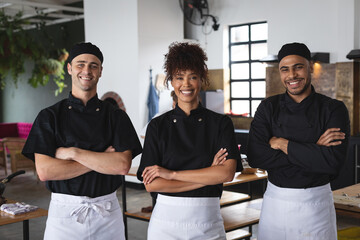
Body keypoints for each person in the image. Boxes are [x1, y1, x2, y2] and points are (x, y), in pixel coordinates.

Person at [22, 42, 142, 240]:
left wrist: (73, 153)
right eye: (80, 64)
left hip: (107, 215)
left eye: (93, 65)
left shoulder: (115, 116)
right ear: (69, 68)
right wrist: (103, 159)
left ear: (101, 71)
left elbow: (121, 165)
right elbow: (45, 171)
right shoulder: (49, 116)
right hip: (64, 216)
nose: (87, 70)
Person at [137, 42, 242, 239]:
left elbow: (226, 174)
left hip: (207, 224)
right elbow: (152, 185)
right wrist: (208, 176)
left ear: (201, 79)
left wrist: (171, 174)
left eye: (192, 77)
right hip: (165, 226)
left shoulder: (220, 123)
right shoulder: (157, 126)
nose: (186, 84)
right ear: (171, 81)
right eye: (179, 77)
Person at [247, 42, 350, 240]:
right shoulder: (268, 107)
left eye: (298, 67)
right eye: (285, 69)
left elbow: (332, 163)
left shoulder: (333, 109)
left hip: (315, 207)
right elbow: (256, 157)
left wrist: (282, 144)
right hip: (275, 205)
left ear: (310, 67)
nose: (292, 75)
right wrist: (314, 150)